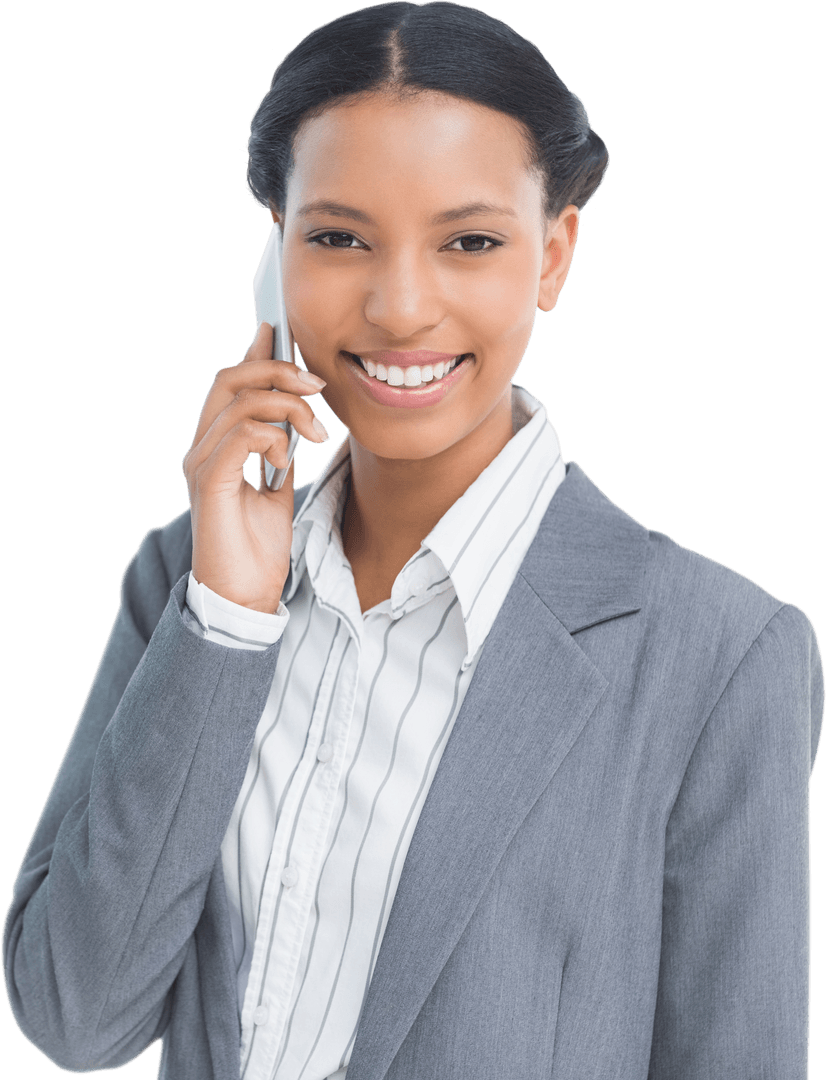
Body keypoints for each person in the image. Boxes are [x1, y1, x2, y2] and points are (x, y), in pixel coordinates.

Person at [3, 3, 823, 1078]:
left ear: (553, 254)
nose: (398, 306)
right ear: (273, 256)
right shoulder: (187, 579)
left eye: (470, 241)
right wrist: (229, 621)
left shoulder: (717, 653)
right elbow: (74, 1020)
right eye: (337, 237)